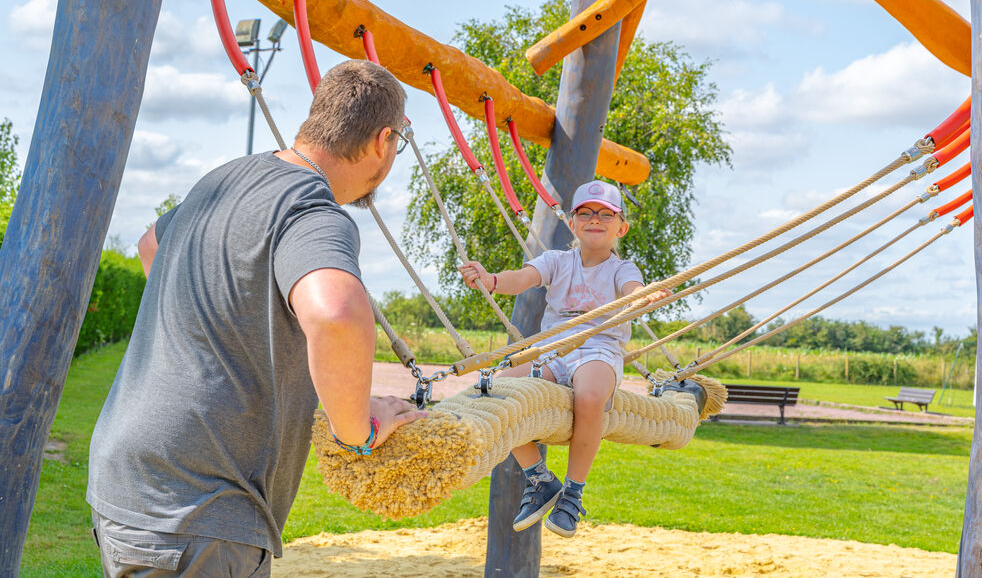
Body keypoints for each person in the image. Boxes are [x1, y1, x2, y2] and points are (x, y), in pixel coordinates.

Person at [87, 60, 424, 576]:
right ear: (385, 141)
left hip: (126, 479)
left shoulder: (224, 178)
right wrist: (356, 428)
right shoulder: (312, 208)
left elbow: (151, 246)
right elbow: (336, 313)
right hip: (200, 508)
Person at [457, 180, 667, 538]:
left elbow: (634, 292)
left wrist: (645, 297)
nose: (595, 220)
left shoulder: (622, 270)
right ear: (572, 224)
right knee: (493, 391)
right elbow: (522, 278)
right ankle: (539, 479)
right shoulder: (556, 261)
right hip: (553, 351)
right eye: (585, 213)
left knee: (588, 397)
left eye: (606, 214)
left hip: (597, 349)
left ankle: (573, 492)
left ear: (621, 227)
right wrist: (491, 279)